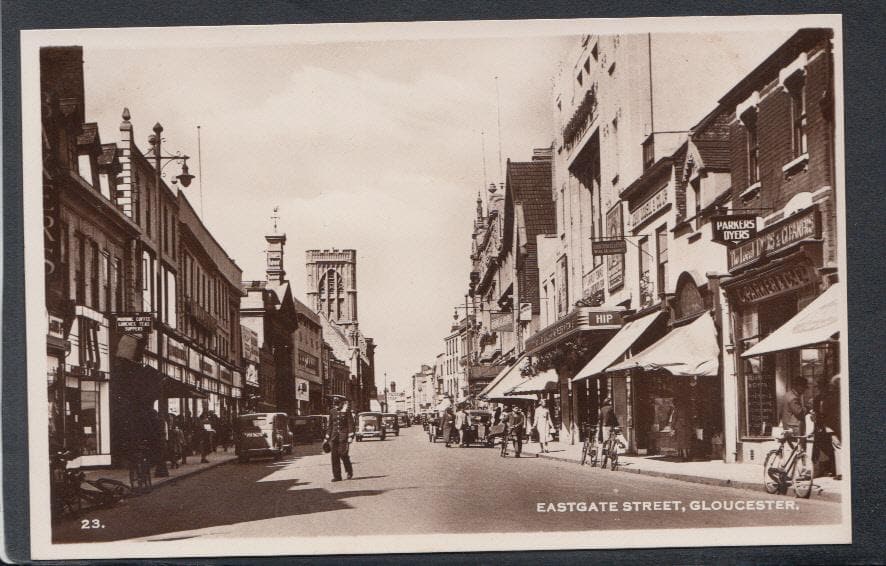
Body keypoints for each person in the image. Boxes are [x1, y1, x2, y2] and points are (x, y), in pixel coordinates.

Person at [324, 396, 354, 481]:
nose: (336, 405)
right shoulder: (332, 411)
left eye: (338, 403)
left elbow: (350, 424)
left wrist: (350, 436)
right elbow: (330, 426)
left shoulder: (346, 411)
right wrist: (326, 437)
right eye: (335, 403)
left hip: (343, 437)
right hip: (334, 437)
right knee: (334, 456)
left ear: (342, 403)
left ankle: (349, 471)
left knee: (343, 454)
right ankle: (337, 476)